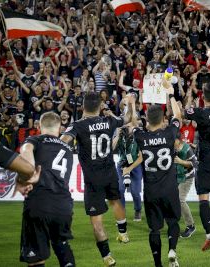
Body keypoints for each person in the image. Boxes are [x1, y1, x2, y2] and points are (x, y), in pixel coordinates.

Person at [61, 93, 136, 267]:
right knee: (115, 201)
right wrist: (131, 103)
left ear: (83, 107)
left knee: (97, 222)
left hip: (92, 180)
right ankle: (123, 233)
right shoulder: (109, 121)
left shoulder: (78, 125)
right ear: (100, 106)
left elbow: (64, 141)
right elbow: (127, 118)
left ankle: (107, 256)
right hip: (109, 172)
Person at [123, 79, 182, 267]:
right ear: (163, 119)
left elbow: (132, 123)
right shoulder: (170, 133)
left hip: (151, 191)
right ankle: (172, 250)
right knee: (173, 222)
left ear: (147, 120)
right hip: (170, 188)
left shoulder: (141, 136)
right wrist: (171, 94)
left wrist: (132, 104)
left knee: (154, 229)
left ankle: (158, 264)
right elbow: (178, 116)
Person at [18, 112, 75, 267]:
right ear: (59, 128)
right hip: (64, 205)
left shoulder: (34, 140)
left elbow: (25, 150)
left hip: (40, 202)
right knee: (62, 245)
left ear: (39, 126)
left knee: (36, 257)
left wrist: (29, 172)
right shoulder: (68, 148)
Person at [184, 81, 210, 250]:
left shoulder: (201, 113)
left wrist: (189, 96)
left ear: (202, 96)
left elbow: (184, 113)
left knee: (203, 197)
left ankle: (209, 234)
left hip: (206, 161)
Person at [112, 122, 143, 222]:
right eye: (126, 126)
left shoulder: (139, 136)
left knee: (135, 192)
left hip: (135, 165)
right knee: (120, 189)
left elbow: (141, 157)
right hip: (122, 164)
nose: (126, 128)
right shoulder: (121, 135)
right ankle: (122, 213)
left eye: (129, 126)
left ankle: (138, 210)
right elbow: (112, 148)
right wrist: (117, 135)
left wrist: (130, 168)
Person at [174, 133, 197, 239]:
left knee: (180, 199)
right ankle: (172, 223)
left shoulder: (187, 148)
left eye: (173, 139)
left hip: (186, 178)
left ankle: (190, 225)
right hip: (175, 177)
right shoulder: (172, 147)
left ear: (178, 140)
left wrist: (181, 162)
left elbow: (194, 163)